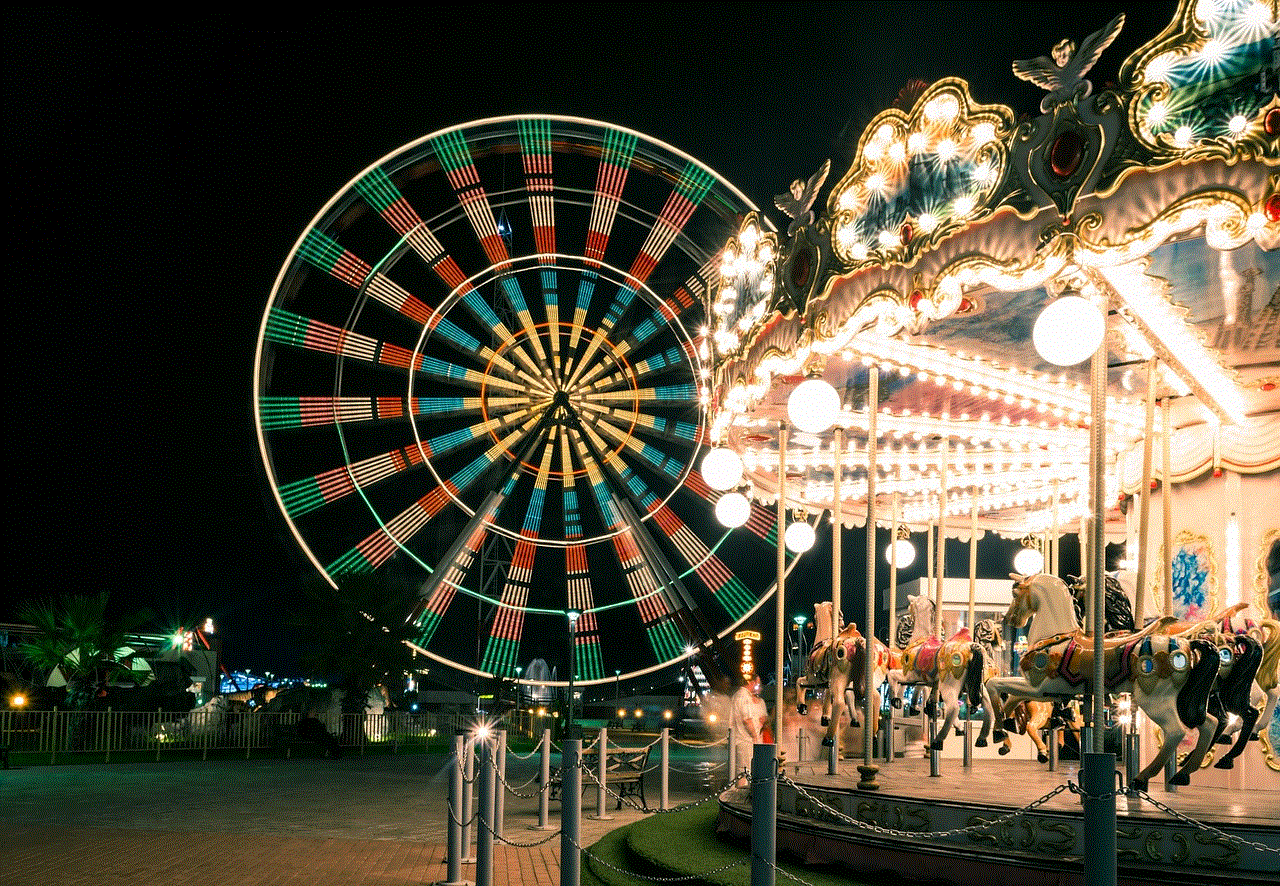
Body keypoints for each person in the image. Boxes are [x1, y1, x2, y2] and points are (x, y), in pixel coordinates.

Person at [731, 674, 768, 786]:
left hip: (743, 739)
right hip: (745, 740)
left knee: (745, 769)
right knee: (744, 770)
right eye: (756, 683)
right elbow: (747, 719)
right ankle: (741, 795)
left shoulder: (739, 695)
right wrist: (755, 736)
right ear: (750, 682)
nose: (757, 685)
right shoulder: (744, 697)